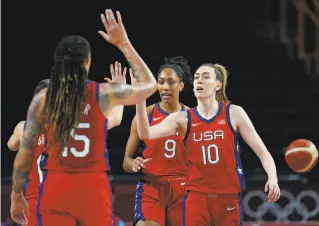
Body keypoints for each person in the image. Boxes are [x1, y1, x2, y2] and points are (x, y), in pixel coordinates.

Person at [10, 9, 157, 226]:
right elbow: (150, 85)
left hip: (56, 185)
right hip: (92, 185)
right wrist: (124, 44)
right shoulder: (102, 94)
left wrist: (15, 196)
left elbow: (25, 152)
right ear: (87, 61)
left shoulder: (42, 100)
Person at [135, 63, 281, 226]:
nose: (199, 81)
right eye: (196, 78)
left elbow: (262, 152)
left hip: (228, 199)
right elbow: (145, 133)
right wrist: (139, 99)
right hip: (197, 199)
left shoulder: (233, 113)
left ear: (217, 85)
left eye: (205, 77)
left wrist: (273, 178)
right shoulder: (183, 118)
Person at [7, 61, 125, 226]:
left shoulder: (24, 127)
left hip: (38, 200)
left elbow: (11, 145)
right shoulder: (74, 126)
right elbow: (116, 119)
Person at [123, 57, 191, 226]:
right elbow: (126, 161)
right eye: (161, 82)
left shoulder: (192, 117)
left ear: (181, 86)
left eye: (171, 82)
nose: (165, 87)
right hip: (152, 187)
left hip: (183, 189)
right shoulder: (146, 115)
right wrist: (133, 164)